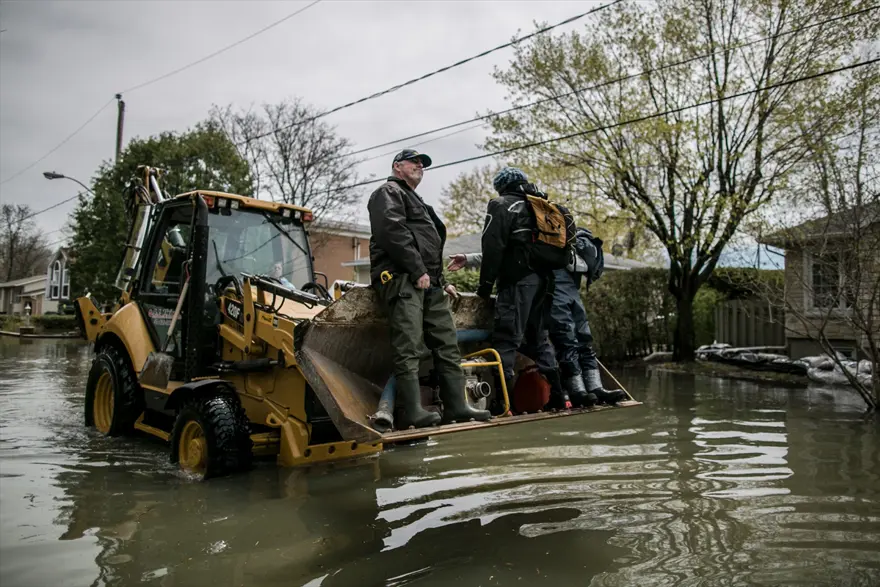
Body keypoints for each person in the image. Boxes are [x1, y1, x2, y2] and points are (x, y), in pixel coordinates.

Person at [368, 149, 490, 428]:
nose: (420, 166)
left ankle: (458, 406)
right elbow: (391, 232)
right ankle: (413, 411)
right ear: (397, 166)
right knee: (409, 344)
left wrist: (440, 280)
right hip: (401, 278)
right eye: (414, 161)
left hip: (427, 282)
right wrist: (416, 269)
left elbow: (428, 244)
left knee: (448, 342)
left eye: (423, 164)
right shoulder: (387, 192)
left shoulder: (417, 201)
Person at [448, 227, 627, 406]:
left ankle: (575, 391)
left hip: (549, 299)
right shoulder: (564, 246)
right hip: (566, 299)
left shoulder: (534, 239)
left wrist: (474, 266)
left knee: (563, 342)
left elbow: (502, 255)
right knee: (580, 342)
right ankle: (590, 389)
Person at [473, 167, 570, 412]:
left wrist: (484, 287)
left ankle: (504, 404)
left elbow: (493, 248)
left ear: (502, 187)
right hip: (545, 281)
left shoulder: (502, 205)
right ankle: (558, 398)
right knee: (539, 339)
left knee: (506, 340)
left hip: (518, 281)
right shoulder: (542, 205)